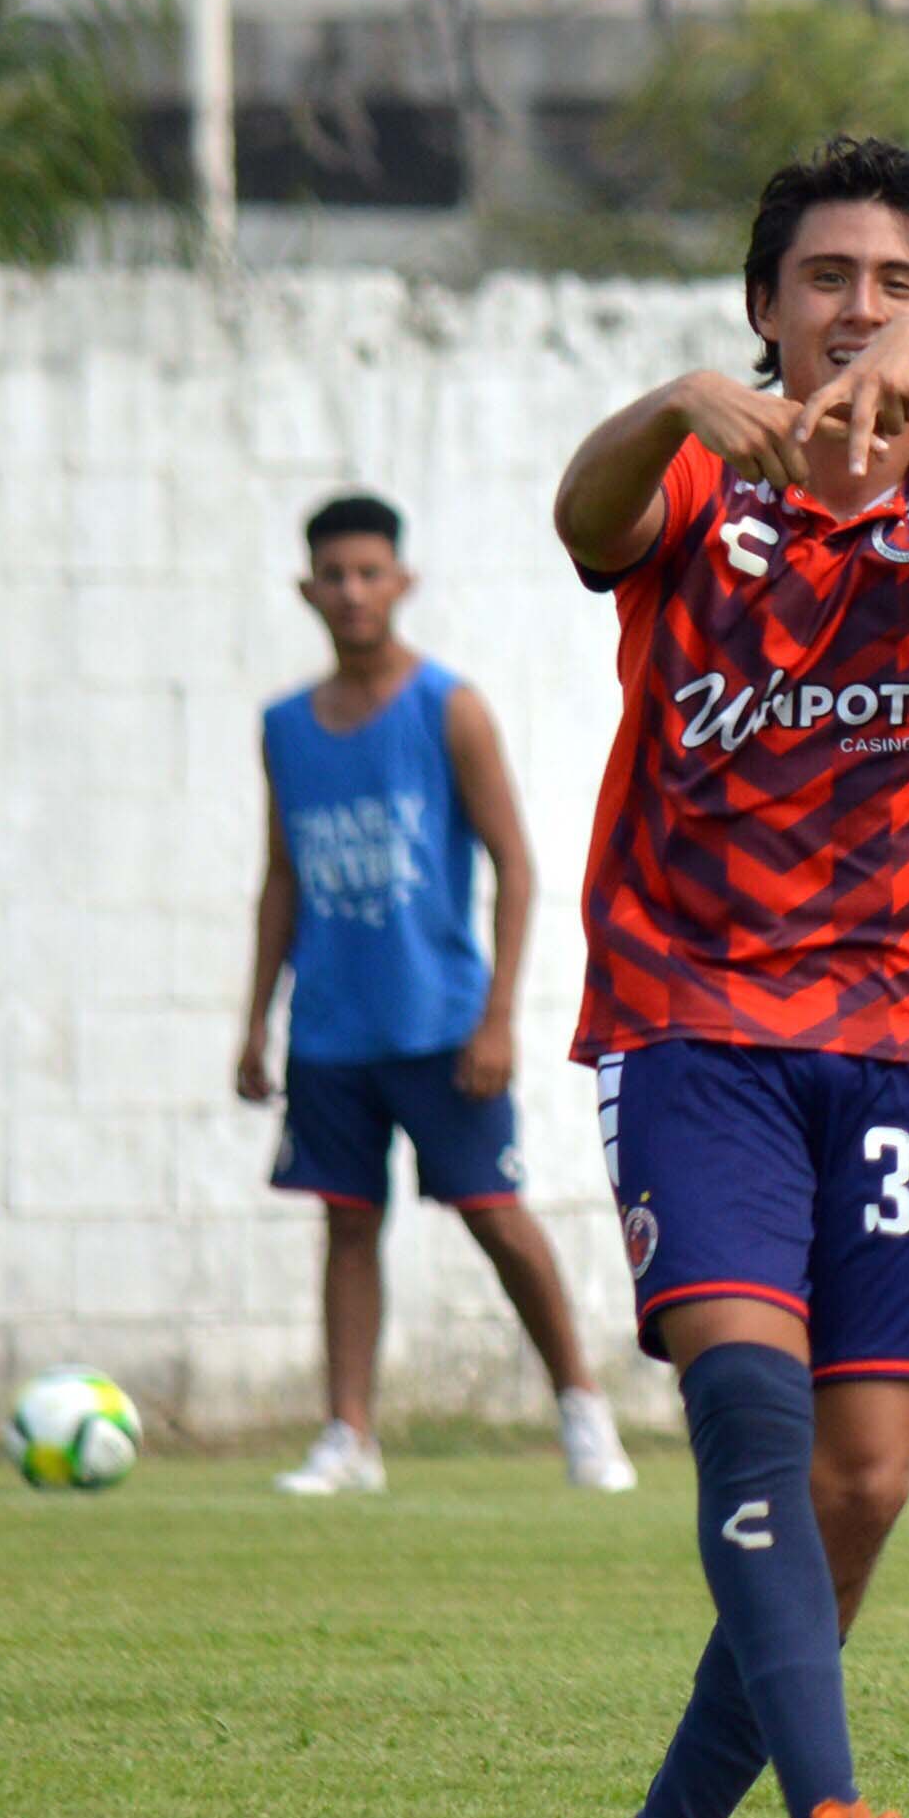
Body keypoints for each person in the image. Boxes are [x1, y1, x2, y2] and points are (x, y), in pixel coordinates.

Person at [553, 136, 909, 1818]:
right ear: (767, 309)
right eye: (825, 279)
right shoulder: (696, 487)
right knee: (751, 1415)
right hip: (691, 1026)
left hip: (899, 1044)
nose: (859, 306)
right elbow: (579, 521)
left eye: (900, 281)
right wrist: (685, 405)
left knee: (861, 1480)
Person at [239, 492, 636, 1497]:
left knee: (495, 1214)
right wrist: (256, 1022)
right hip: (332, 1030)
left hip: (441, 1024)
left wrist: (497, 1015)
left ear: (402, 583)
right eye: (334, 574)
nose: (352, 591)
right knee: (346, 1223)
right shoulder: (285, 726)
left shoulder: (447, 707)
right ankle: (349, 1437)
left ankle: (583, 1410)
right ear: (307, 588)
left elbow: (516, 863)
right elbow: (282, 877)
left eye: (371, 572)